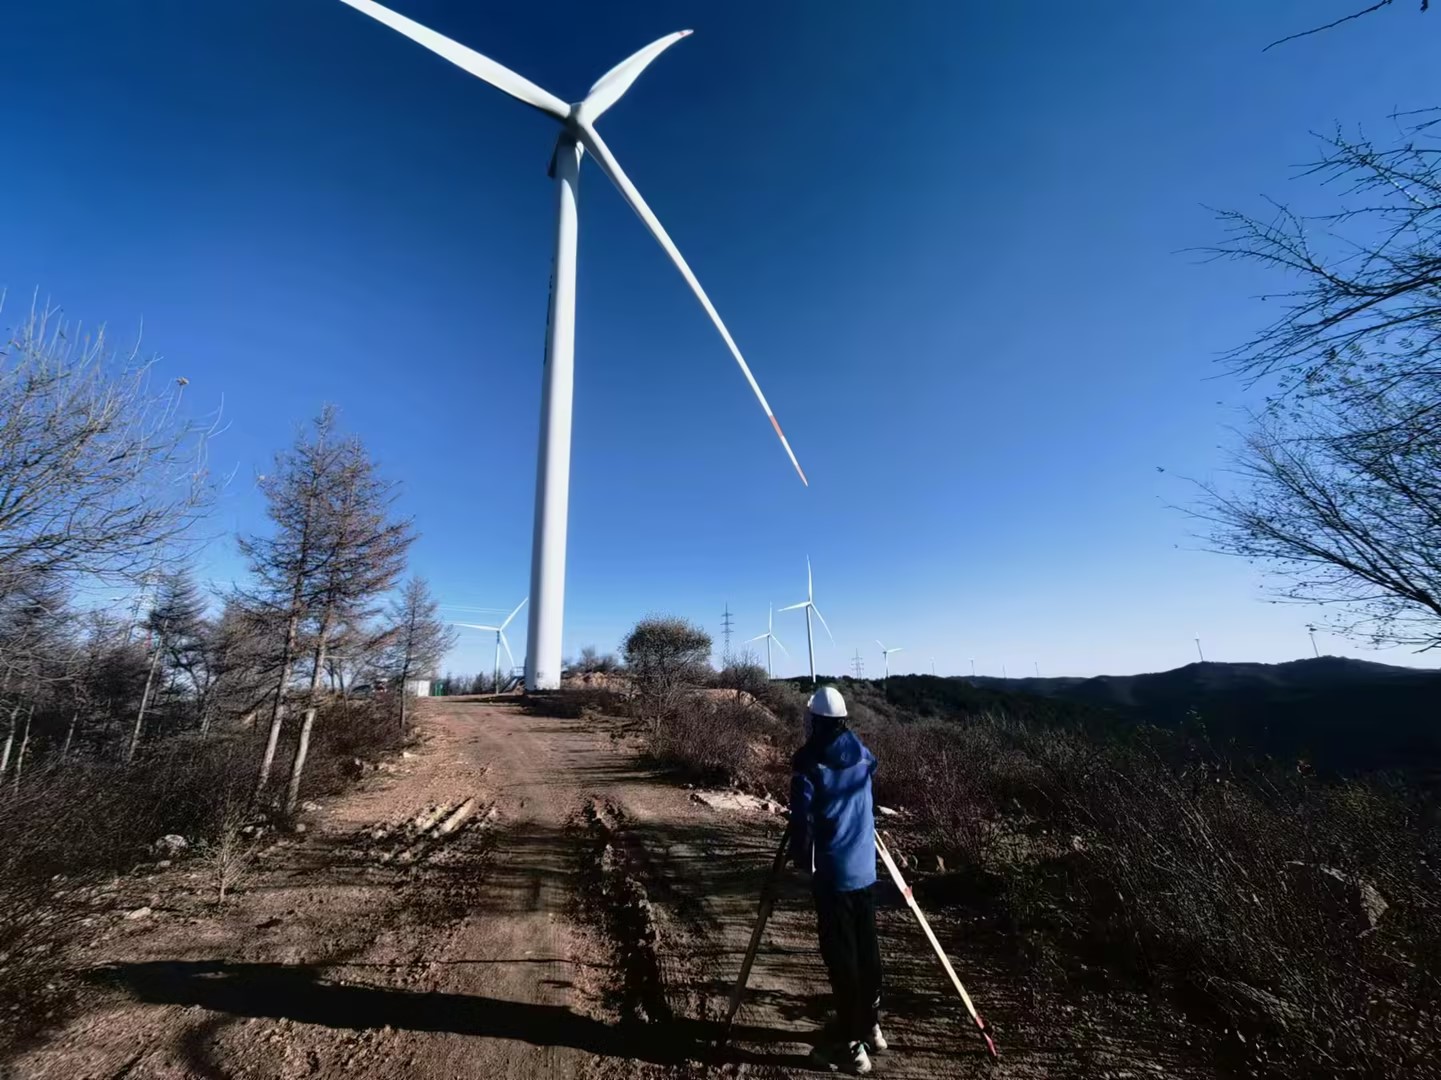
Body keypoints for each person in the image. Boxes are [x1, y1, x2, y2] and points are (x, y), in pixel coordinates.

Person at [789, 685, 885, 1075]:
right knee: (866, 951)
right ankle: (871, 1025)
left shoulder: (809, 763)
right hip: (865, 869)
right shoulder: (861, 753)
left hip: (834, 875)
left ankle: (849, 1045)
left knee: (841, 960)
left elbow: (802, 821)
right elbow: (872, 768)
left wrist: (800, 862)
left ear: (815, 721)